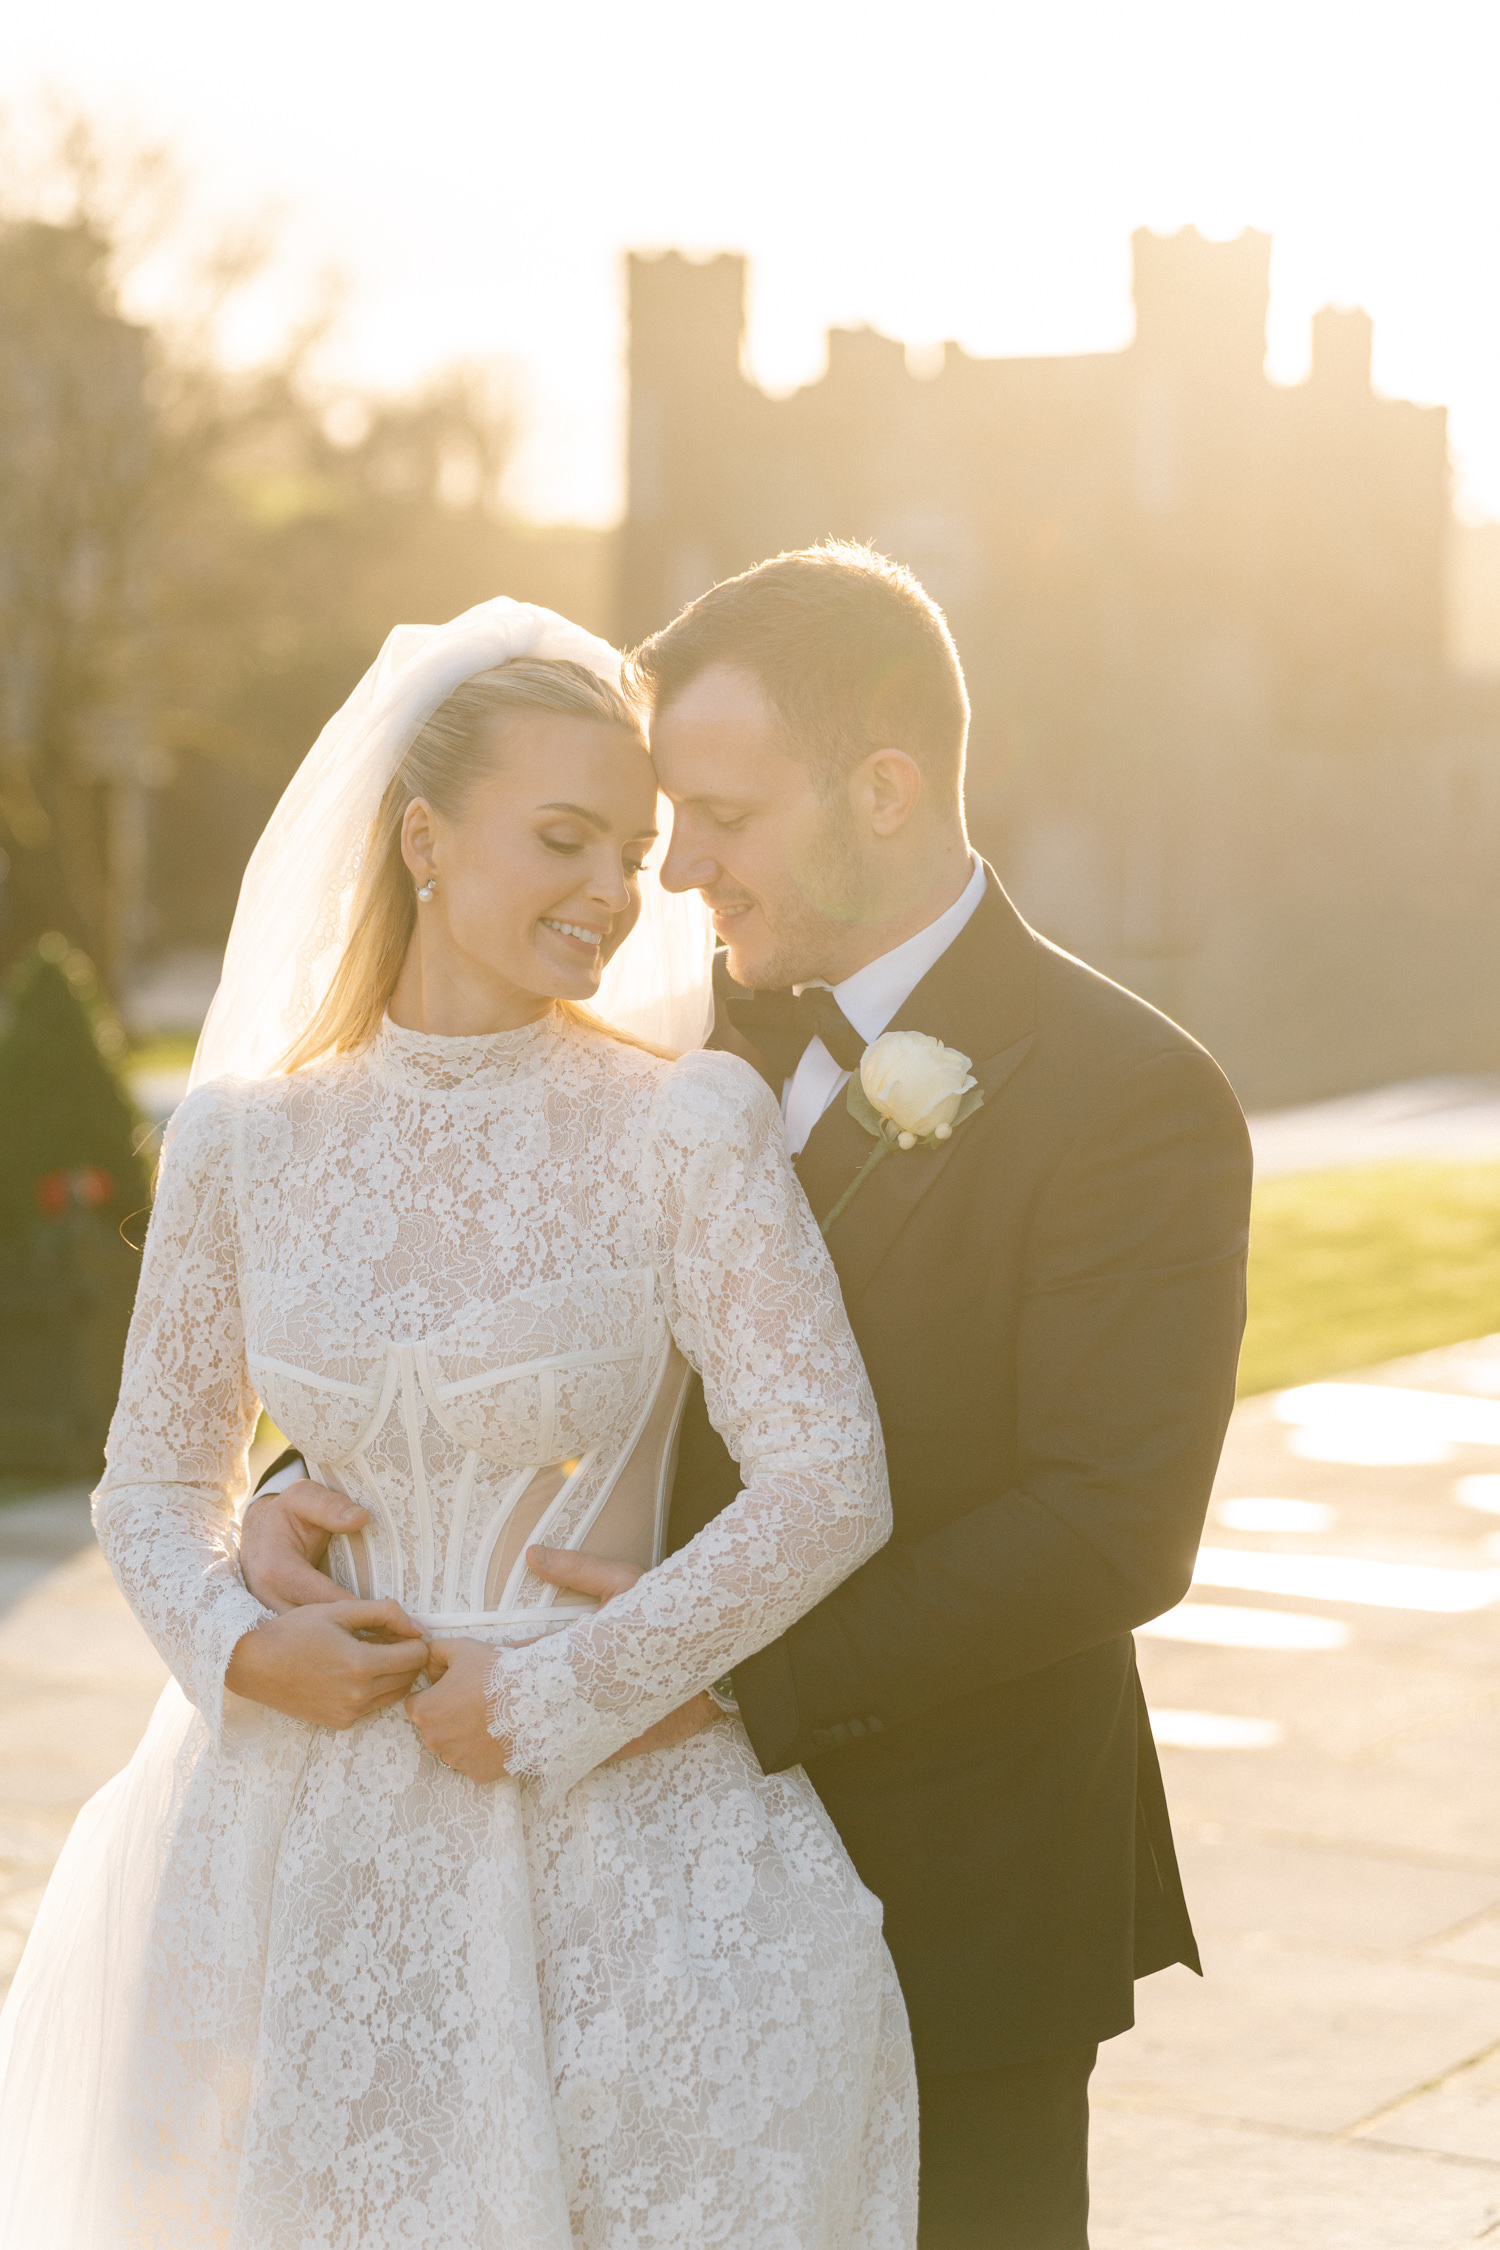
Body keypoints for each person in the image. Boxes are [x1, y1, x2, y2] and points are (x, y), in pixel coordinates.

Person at [245, 545, 1254, 2248]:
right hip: (608, 1885)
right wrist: (301, 1477)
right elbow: (445, 1267)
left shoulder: (1132, 1094)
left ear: (884, 787)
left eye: (715, 816)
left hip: (949, 1874)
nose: (672, 869)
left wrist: (688, 1683)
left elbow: (1107, 1528)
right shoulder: (653, 1022)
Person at [0, 598, 918, 2250]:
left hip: (608, 1825)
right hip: (291, 1838)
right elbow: (152, 1482)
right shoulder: (240, 1143)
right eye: (562, 836)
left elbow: (828, 1480)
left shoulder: (682, 1126)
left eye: (632, 850)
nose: (611, 890)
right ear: (423, 834)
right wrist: (232, 1644)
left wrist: (566, 1692)